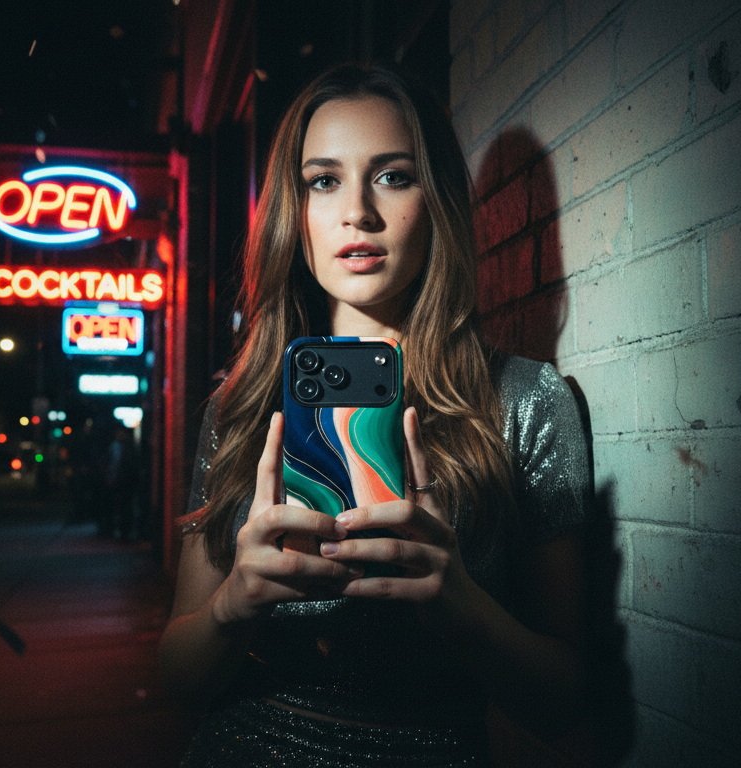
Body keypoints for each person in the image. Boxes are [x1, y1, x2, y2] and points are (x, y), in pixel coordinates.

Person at [159, 63, 589, 767]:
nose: (356, 211)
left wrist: (460, 606)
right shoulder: (241, 407)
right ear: (291, 214)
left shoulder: (526, 401)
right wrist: (233, 606)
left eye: (393, 175)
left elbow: (562, 704)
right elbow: (180, 678)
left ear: (438, 200)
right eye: (323, 180)